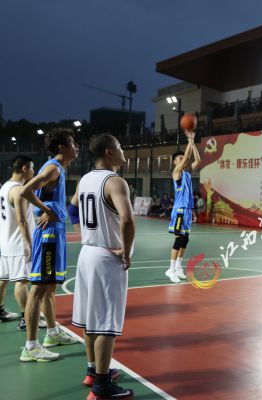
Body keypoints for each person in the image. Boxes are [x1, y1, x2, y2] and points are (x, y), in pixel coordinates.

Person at [70, 133, 134, 399]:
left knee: (91, 319)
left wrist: (84, 235)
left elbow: (72, 209)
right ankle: (102, 387)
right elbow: (127, 219)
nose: (123, 151)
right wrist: (126, 251)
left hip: (87, 254)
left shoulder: (85, 179)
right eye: (119, 147)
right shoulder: (115, 181)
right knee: (106, 322)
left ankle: (93, 371)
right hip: (106, 258)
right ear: (109, 152)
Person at [19, 128, 79, 362]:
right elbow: (26, 190)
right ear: (62, 148)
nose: (76, 147)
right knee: (38, 289)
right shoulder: (52, 168)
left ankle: (52, 334)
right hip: (48, 236)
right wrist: (46, 210)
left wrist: (47, 208)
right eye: (72, 143)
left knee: (49, 288)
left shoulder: (58, 169)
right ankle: (30, 346)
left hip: (55, 234)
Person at [0, 156, 37, 329]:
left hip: (6, 241)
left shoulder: (4, 187)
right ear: (24, 168)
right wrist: (28, 243)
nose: (33, 172)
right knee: (21, 281)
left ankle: (0, 310)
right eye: (32, 168)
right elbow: (22, 220)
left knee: (3, 278)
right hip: (18, 242)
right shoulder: (18, 190)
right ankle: (25, 318)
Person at [165, 129, 201, 283]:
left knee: (185, 240)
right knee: (178, 240)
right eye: (179, 158)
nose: (182, 160)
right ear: (175, 162)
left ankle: (179, 267)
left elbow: (197, 160)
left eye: (182, 158)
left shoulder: (187, 173)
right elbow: (187, 158)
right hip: (179, 210)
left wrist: (193, 144)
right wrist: (190, 141)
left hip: (187, 211)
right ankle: (171, 269)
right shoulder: (176, 172)